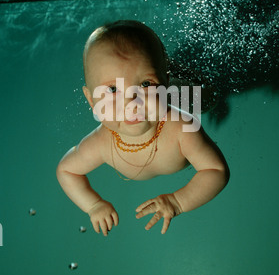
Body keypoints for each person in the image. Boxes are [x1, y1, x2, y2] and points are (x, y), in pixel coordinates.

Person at [56, 20, 229, 236]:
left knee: (206, 98)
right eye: (112, 89)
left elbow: (216, 171)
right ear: (92, 101)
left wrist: (178, 201)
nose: (131, 102)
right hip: (164, 88)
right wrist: (93, 205)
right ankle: (160, 72)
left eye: (145, 84)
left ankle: (173, 74)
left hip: (174, 97)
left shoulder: (182, 128)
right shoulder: (101, 142)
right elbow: (66, 170)